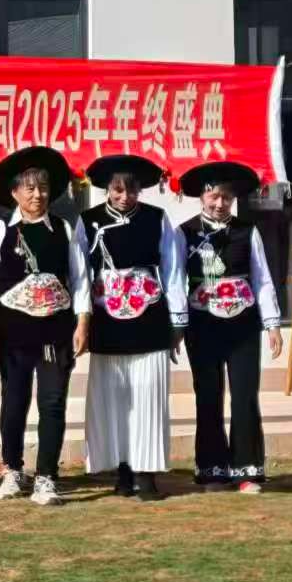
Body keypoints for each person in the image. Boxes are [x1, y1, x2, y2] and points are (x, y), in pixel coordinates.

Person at [0, 146, 89, 508]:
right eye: (29, 188)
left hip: (55, 330)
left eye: (42, 187)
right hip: (13, 331)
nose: (37, 195)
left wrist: (83, 321)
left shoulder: (64, 229)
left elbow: (80, 279)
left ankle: (46, 477)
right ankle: (12, 469)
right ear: (14, 193)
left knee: (52, 401)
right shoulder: (0, 230)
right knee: (14, 400)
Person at [80, 154, 187, 502]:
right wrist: (82, 319)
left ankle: (147, 474)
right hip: (106, 319)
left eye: (131, 190)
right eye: (117, 190)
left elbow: (172, 270)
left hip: (149, 316)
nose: (124, 197)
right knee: (113, 398)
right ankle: (121, 471)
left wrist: (177, 320)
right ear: (107, 190)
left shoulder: (157, 218)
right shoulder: (88, 221)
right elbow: (80, 274)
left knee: (148, 396)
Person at [177, 161, 283, 493]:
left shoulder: (248, 231)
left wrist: (272, 324)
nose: (220, 203)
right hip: (202, 322)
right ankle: (212, 469)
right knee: (208, 394)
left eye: (226, 197)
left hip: (243, 324)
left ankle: (245, 469)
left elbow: (262, 279)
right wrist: (176, 325)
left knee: (245, 394)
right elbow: (174, 279)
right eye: (214, 197)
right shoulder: (184, 233)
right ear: (202, 197)